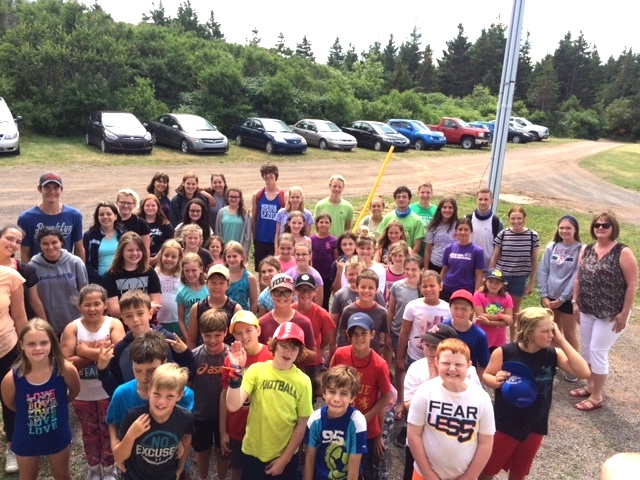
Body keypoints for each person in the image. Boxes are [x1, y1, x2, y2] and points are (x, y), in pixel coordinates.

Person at [480, 307, 590, 479]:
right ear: (529, 333)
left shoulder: (553, 354)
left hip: (535, 425)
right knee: (488, 469)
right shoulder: (505, 352)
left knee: (519, 472)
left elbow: (584, 373)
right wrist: (495, 381)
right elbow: (487, 374)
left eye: (552, 330)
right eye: (545, 331)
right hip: (505, 424)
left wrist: (561, 340)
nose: (551, 335)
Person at [226, 322, 313, 480]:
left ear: (300, 352)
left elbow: (302, 423)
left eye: (294, 348)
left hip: (285, 456)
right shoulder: (256, 370)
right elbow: (233, 405)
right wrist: (236, 373)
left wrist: (284, 459)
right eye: (284, 345)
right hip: (253, 452)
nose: (288, 352)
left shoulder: (303, 381)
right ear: (274, 344)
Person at [570, 211, 638, 411]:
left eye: (605, 225)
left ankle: (597, 396)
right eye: (597, 225)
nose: (600, 228)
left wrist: (624, 313)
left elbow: (632, 285)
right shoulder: (588, 249)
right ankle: (590, 385)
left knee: (598, 351)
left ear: (612, 229)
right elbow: (578, 278)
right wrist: (575, 302)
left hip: (611, 312)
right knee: (587, 348)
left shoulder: (623, 252)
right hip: (587, 308)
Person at [60, 284, 125, 480]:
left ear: (105, 305)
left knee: (108, 431)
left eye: (97, 304)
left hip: (107, 392)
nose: (92, 309)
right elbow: (65, 362)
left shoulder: (114, 324)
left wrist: (83, 351)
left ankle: (109, 467)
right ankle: (93, 466)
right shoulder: (73, 327)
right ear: (80, 306)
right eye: (87, 304)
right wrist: (99, 355)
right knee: (89, 434)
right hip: (83, 393)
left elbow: (117, 354)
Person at [1, 319, 80, 479]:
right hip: (26, 438)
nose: (38, 348)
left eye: (44, 342)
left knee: (62, 476)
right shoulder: (12, 378)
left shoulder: (65, 369)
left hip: (57, 435)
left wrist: (60, 404)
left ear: (52, 343)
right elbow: (10, 404)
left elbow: (74, 391)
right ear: (22, 345)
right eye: (31, 344)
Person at [104, 331, 195, 469]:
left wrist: (180, 442)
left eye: (151, 371)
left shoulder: (184, 394)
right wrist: (115, 447)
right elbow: (112, 422)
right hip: (135, 466)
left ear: (165, 362)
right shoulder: (122, 393)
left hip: (169, 464)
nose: (144, 377)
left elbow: (185, 426)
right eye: (137, 370)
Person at [407, 338, 495, 480]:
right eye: (446, 363)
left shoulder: (481, 399)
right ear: (436, 362)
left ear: (469, 366)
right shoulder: (425, 392)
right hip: (424, 474)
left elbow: (486, 442)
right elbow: (413, 435)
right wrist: (429, 474)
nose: (452, 369)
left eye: (458, 364)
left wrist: (470, 476)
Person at [330, 313, 393, 480]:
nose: (359, 338)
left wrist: (366, 419)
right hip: (339, 422)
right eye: (355, 334)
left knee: (364, 470)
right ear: (348, 336)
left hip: (366, 429)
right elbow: (328, 384)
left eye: (363, 333)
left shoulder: (380, 364)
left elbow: (386, 396)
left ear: (372, 334)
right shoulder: (340, 354)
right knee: (337, 464)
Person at [98, 290, 194, 397]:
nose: (135, 319)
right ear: (123, 319)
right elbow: (114, 390)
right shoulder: (120, 348)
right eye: (129, 316)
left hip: (166, 404)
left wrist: (185, 353)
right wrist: (102, 369)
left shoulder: (169, 340)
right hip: (133, 406)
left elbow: (189, 373)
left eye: (140, 313)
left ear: (150, 313)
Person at [113, 363, 194, 480]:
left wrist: (180, 468)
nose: (161, 402)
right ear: (150, 389)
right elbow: (118, 457)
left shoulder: (185, 417)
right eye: (157, 394)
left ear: (179, 395)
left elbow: (186, 439)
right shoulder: (133, 417)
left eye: (170, 396)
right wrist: (131, 435)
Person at [220, 311, 273, 480]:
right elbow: (224, 395)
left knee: (264, 471)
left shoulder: (271, 357)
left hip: (263, 430)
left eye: (248, 330)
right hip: (237, 429)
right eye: (238, 333)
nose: (244, 336)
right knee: (237, 470)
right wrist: (223, 430)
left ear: (258, 330)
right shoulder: (230, 360)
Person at [537, 215, 583, 379]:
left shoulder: (580, 249)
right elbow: (543, 270)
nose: (564, 231)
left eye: (568, 228)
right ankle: (555, 361)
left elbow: (576, 276)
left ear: (575, 230)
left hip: (568, 298)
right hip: (550, 296)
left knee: (569, 334)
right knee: (552, 332)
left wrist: (563, 298)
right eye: (561, 228)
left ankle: (573, 366)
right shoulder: (552, 246)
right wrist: (544, 294)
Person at [304, 365, 367, 480]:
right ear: (324, 393)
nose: (336, 398)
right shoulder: (315, 420)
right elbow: (310, 457)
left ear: (352, 397)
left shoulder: (357, 421)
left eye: (343, 393)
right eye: (332, 392)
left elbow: (354, 469)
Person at [490, 206, 540, 341]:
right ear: (509, 219)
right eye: (513, 218)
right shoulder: (503, 234)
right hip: (502, 277)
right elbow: (495, 258)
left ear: (524, 219)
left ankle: (513, 340)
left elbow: (534, 260)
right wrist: (489, 277)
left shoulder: (532, 236)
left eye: (519, 218)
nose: (516, 221)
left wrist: (530, 283)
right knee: (497, 309)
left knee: (514, 311)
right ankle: (497, 337)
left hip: (519, 277)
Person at [190, 309, 229, 480]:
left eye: (217, 335)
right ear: (201, 333)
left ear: (226, 332)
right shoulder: (194, 356)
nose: (212, 340)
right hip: (200, 415)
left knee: (223, 452)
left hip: (225, 415)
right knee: (202, 452)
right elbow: (188, 386)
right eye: (207, 335)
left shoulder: (232, 356)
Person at [29, 226, 89, 336]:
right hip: (48, 323)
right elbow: (34, 299)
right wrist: (44, 325)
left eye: (54, 242)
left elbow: (84, 293)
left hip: (76, 322)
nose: (50, 247)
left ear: (61, 242)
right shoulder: (32, 267)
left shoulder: (75, 262)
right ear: (40, 245)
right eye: (45, 244)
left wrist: (85, 318)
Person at [18, 172, 85, 262]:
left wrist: (81, 272)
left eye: (56, 187)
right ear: (39, 189)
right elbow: (25, 253)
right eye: (47, 187)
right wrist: (28, 274)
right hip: (39, 270)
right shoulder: (26, 218)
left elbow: (79, 249)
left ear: (61, 189)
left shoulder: (74, 215)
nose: (52, 191)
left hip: (66, 270)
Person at [0, 263, 28, 473]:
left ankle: (12, 446)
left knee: (10, 400)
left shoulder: (10, 276)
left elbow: (19, 316)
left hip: (7, 347)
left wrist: (26, 347)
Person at [387, 254, 422, 421]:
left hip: (417, 336)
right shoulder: (397, 286)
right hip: (397, 331)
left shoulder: (424, 288)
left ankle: (414, 401)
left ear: (421, 270)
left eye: (414, 269)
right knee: (400, 367)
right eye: (407, 269)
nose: (410, 272)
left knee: (415, 369)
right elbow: (391, 310)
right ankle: (401, 400)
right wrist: (387, 332)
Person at [397, 270, 451, 373]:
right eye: (424, 286)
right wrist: (400, 357)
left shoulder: (448, 309)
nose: (428, 289)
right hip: (415, 357)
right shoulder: (412, 306)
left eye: (432, 285)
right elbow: (404, 332)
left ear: (440, 287)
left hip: (439, 358)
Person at [257, 274, 317, 365]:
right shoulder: (262, 322)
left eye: (287, 292)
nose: (282, 297)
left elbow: (314, 356)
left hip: (295, 374)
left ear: (294, 294)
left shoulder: (304, 322)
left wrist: (295, 348)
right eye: (277, 292)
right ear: (271, 294)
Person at [103, 231, 161, 320]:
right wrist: (144, 308)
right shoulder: (111, 275)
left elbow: (157, 304)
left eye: (138, 250)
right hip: (121, 323)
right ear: (121, 251)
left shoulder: (150, 272)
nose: (134, 253)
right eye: (130, 250)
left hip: (147, 322)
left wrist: (128, 310)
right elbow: (114, 310)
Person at [292, 273, 335, 393]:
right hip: (292, 358)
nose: (305, 294)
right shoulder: (289, 311)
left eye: (309, 290)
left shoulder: (321, 314)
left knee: (312, 393)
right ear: (295, 291)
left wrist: (316, 347)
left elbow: (326, 339)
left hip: (313, 361)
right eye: (301, 290)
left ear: (315, 291)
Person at [187, 265, 241, 350]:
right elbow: (191, 340)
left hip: (228, 356)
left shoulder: (235, 309)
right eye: (213, 282)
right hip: (203, 356)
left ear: (228, 285)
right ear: (206, 283)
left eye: (221, 283)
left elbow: (239, 338)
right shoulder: (197, 308)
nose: (217, 287)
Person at [0, 224, 47, 321]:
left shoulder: (26, 270)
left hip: (20, 324)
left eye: (18, 242)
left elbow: (35, 301)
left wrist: (45, 328)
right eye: (9, 239)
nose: (13, 244)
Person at [338, 269, 389, 354]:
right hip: (352, 355)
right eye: (363, 287)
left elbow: (383, 336)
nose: (366, 291)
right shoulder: (348, 311)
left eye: (371, 288)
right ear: (357, 288)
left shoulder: (382, 312)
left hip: (373, 355)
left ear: (376, 290)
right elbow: (343, 336)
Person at [443, 289, 491, 380]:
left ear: (472, 310)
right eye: (455, 308)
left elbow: (483, 365)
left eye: (464, 309)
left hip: (466, 378)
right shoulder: (442, 329)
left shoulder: (479, 335)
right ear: (450, 308)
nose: (459, 312)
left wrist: (474, 383)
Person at [251, 163, 288, 269]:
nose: (268, 177)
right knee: (261, 269)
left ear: (276, 176)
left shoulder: (283, 195)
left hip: (276, 240)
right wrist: (254, 238)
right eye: (265, 174)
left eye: (271, 174)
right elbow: (254, 218)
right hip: (260, 239)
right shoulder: (257, 195)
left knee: (276, 268)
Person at [440, 217, 486, 301]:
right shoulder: (449, 248)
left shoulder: (477, 251)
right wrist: (440, 284)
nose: (463, 232)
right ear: (456, 231)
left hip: (466, 291)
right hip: (448, 289)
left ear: (470, 231)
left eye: (466, 230)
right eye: (460, 229)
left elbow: (479, 275)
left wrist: (476, 294)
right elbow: (444, 270)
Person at [83, 202, 124, 285]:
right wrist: (100, 279)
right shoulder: (89, 236)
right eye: (101, 214)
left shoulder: (123, 235)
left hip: (121, 279)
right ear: (97, 217)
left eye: (109, 214)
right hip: (98, 281)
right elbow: (86, 263)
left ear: (115, 216)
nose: (105, 217)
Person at [474, 269, 514, 352]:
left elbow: (508, 321)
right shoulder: (478, 295)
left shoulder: (507, 298)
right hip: (481, 335)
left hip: (498, 339)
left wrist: (489, 322)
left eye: (497, 283)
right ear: (485, 281)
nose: (493, 285)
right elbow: (481, 316)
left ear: (502, 284)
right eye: (491, 281)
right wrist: (501, 316)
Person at [376, 186, 425, 254]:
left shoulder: (417, 220)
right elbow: (381, 241)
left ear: (409, 199)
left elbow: (417, 246)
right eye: (398, 197)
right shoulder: (388, 217)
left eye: (404, 197)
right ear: (395, 199)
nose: (401, 199)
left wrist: (408, 261)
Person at [466, 188, 504, 266]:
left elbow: (498, 250)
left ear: (491, 201)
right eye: (480, 199)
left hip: (486, 268)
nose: (483, 202)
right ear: (476, 200)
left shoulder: (497, 223)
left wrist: (490, 271)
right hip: (468, 266)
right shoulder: (467, 219)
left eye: (486, 199)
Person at [155, 239, 184, 337]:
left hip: (177, 319)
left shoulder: (182, 275)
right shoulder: (155, 273)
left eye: (173, 257)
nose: (169, 259)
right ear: (161, 255)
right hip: (159, 320)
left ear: (179, 258)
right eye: (166, 255)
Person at [176, 253, 209, 339]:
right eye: (187, 271)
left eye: (194, 270)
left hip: (208, 333)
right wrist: (188, 337)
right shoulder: (181, 292)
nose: (190, 274)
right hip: (190, 334)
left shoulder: (209, 288)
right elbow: (181, 320)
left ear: (201, 269)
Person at [310, 213, 337, 310]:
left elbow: (335, 260)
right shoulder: (311, 239)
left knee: (325, 301)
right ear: (317, 224)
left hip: (327, 276)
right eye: (321, 222)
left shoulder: (333, 240)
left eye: (327, 222)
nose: (324, 224)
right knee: (312, 298)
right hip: (314, 275)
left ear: (330, 224)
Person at [138, 194, 174, 266]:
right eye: (147, 205)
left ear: (158, 207)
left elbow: (169, 244)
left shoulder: (165, 224)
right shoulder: (137, 223)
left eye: (153, 205)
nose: (150, 208)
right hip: (140, 260)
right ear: (143, 207)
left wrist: (155, 258)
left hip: (160, 261)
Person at [424, 197, 458, 273]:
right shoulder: (433, 226)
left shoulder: (458, 226)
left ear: (454, 209)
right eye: (444, 207)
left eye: (450, 207)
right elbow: (428, 249)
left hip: (452, 266)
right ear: (440, 209)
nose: (447, 210)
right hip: (435, 264)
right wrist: (426, 268)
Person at [215, 187, 253, 254]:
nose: (233, 199)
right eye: (231, 196)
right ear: (227, 197)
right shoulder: (221, 212)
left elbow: (247, 236)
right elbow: (217, 232)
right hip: (224, 250)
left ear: (240, 198)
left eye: (236, 197)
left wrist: (244, 252)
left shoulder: (245, 213)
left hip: (239, 251)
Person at [285, 243, 324, 307]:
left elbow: (318, 303)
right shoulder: (288, 274)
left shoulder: (316, 277)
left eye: (304, 254)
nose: (300, 257)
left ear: (310, 256)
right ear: (294, 256)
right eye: (297, 254)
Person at [116, 189, 151, 258]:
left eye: (129, 203)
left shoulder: (141, 223)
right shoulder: (111, 221)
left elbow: (146, 249)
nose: (126, 206)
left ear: (134, 205)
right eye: (122, 202)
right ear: (117, 203)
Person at [225, 241, 258, 313]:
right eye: (228, 256)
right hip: (223, 316)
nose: (231, 259)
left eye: (234, 256)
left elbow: (254, 302)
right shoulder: (223, 275)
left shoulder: (249, 278)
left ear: (242, 257)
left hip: (242, 316)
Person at [409, 183, 437, 254]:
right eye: (422, 192)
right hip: (413, 248)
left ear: (432, 194)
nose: (425, 195)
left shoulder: (436, 210)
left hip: (429, 249)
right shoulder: (410, 209)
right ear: (418, 193)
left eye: (428, 192)